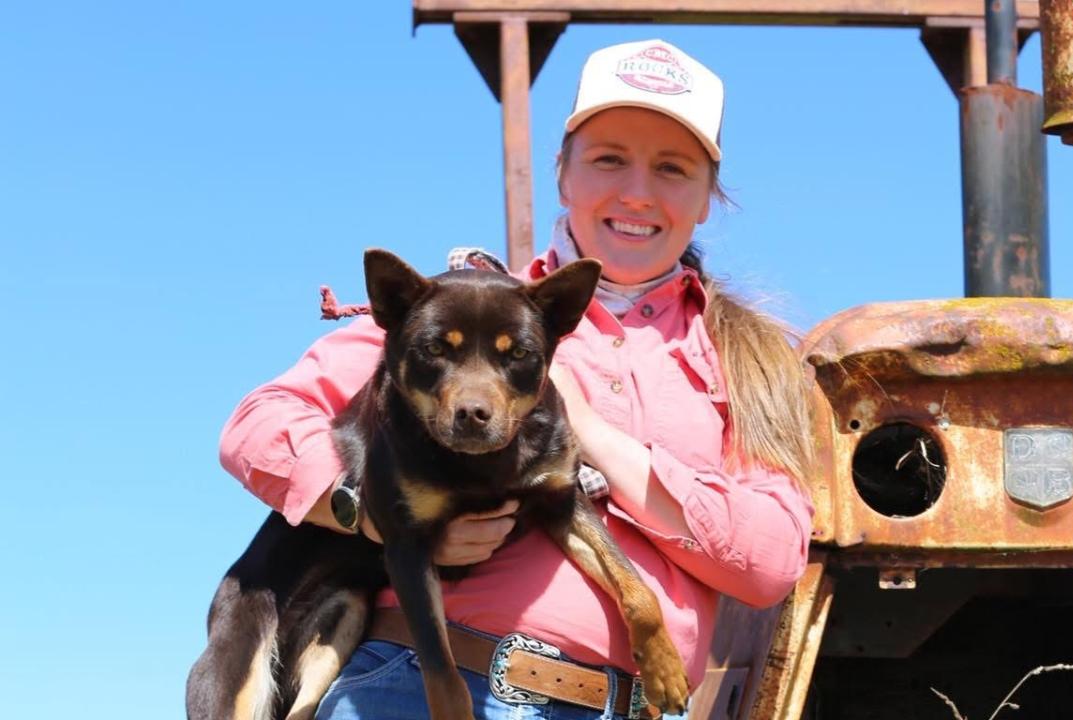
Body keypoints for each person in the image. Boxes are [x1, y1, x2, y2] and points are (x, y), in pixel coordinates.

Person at [218, 38, 815, 720]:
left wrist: (593, 437)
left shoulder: (749, 358)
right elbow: (256, 425)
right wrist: (369, 511)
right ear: (563, 174)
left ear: (709, 196)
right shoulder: (465, 309)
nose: (637, 192)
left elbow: (771, 561)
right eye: (608, 159)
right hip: (418, 687)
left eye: (673, 168)